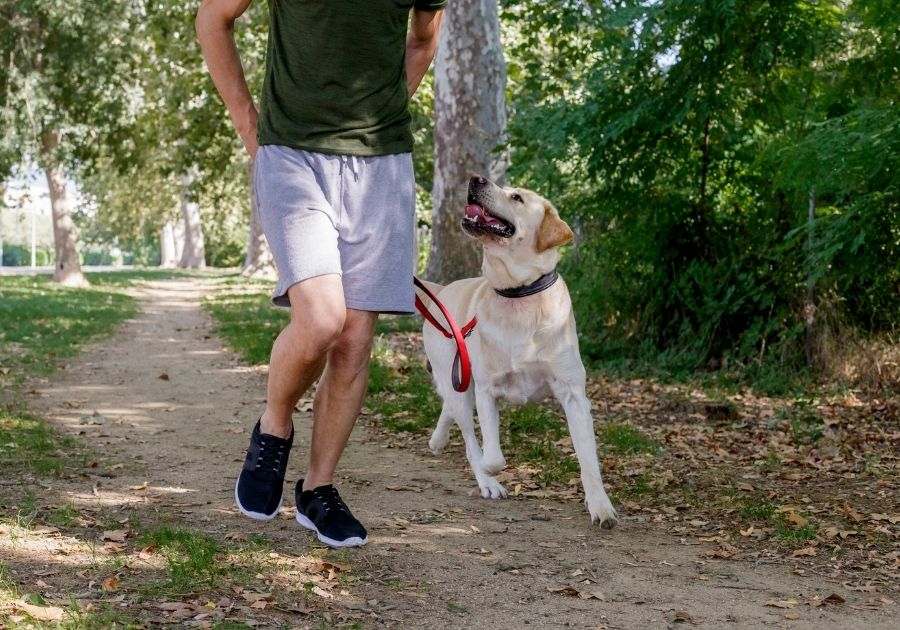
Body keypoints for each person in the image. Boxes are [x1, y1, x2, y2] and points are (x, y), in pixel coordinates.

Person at [195, 0, 446, 548]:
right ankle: (274, 425)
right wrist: (248, 125)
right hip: (291, 154)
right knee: (322, 320)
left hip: (382, 165)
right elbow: (213, 18)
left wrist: (375, 120)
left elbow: (423, 40)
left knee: (355, 338)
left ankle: (318, 489)